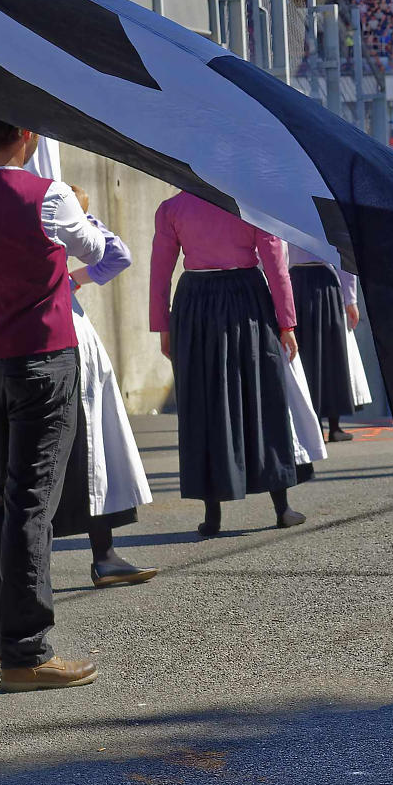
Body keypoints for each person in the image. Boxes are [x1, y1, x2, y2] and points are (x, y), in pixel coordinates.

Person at [0, 147, 158, 595]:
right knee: (57, 463)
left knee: (19, 476)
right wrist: (73, 256)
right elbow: (111, 252)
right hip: (51, 341)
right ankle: (48, 589)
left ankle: (14, 600)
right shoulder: (46, 201)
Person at [0, 112, 105, 693]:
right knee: (31, 502)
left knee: (5, 501)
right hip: (43, 356)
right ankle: (26, 650)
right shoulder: (49, 195)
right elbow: (97, 249)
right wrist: (84, 219)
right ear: (29, 136)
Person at [150, 193, 306, 536]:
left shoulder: (171, 208)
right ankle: (282, 506)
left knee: (204, 401)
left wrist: (163, 325)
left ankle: (212, 515)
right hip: (245, 297)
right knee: (262, 395)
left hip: (195, 303)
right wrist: (287, 322)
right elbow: (275, 260)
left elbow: (160, 269)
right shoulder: (251, 203)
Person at [286, 240, 363, 443]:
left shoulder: (288, 210)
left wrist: (351, 299)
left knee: (325, 355)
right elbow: (344, 252)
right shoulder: (326, 210)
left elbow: (344, 254)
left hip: (304, 282)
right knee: (327, 355)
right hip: (317, 283)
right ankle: (327, 425)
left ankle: (328, 425)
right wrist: (350, 299)